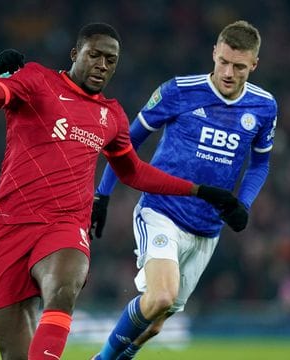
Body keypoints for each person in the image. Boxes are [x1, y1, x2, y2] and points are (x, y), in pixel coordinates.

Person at [0, 22, 246, 360]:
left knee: (64, 286)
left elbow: (134, 171)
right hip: (9, 225)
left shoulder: (111, 116)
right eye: (95, 55)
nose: (102, 65)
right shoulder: (37, 81)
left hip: (65, 224)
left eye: (111, 60)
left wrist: (200, 191)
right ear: (75, 53)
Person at [90, 20, 277, 359]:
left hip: (207, 230)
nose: (229, 72)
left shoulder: (264, 107)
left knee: (155, 323)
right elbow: (126, 143)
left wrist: (244, 203)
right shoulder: (179, 91)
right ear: (214, 54)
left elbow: (260, 163)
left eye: (239, 66)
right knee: (160, 296)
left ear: (254, 65)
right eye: (223, 62)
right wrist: (102, 194)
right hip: (162, 212)